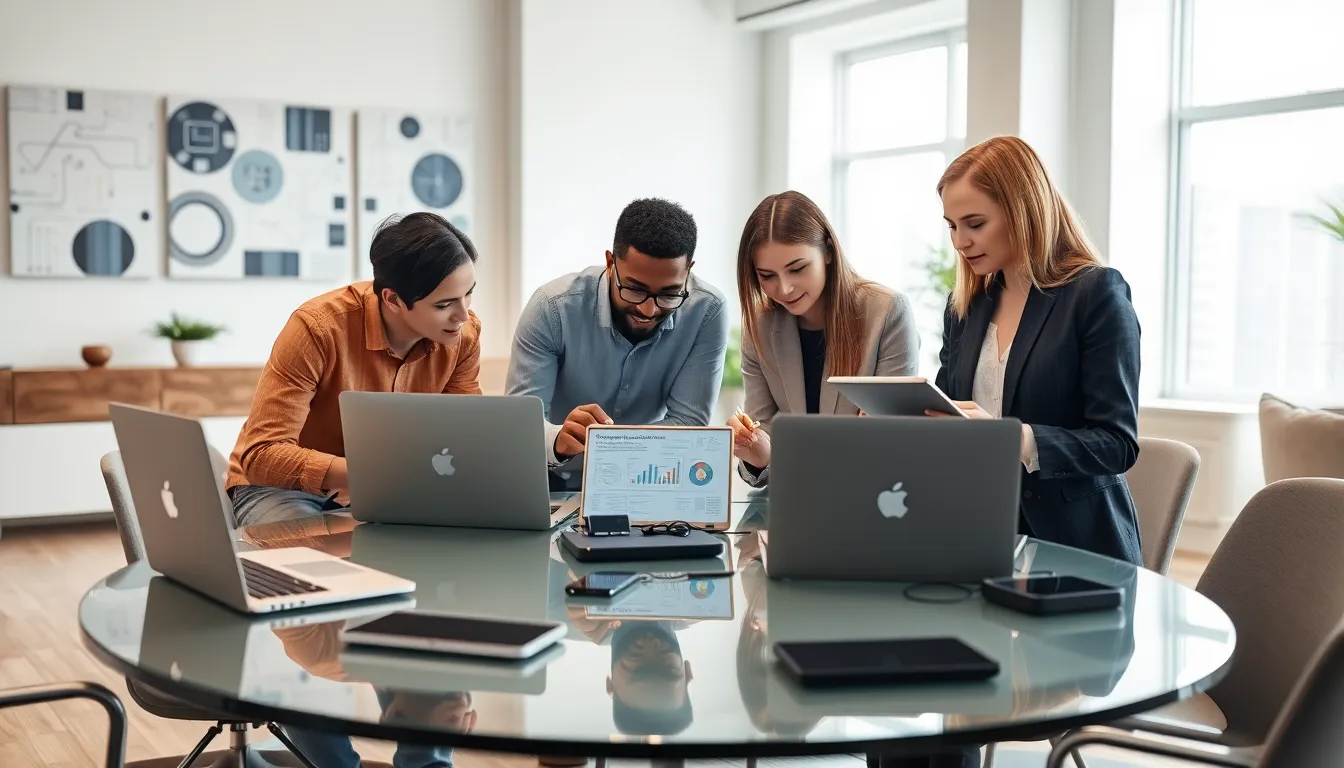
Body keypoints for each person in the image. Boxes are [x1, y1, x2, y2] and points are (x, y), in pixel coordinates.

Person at [932, 135, 1143, 565]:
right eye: (952, 226)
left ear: (1022, 211)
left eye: (975, 223)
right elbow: (947, 414)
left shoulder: (1096, 294)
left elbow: (1118, 443)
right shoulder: (964, 310)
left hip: (1076, 547)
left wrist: (1016, 438)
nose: (960, 242)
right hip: (980, 536)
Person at [225, 212, 483, 527]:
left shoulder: (463, 338)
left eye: (468, 294)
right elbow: (261, 455)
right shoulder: (317, 329)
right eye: (444, 305)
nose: (464, 316)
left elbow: (466, 435)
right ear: (393, 300)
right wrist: (365, 475)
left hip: (393, 492)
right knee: (309, 563)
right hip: (282, 490)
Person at [505, 198, 729, 488]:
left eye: (669, 294)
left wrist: (608, 445)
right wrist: (559, 439)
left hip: (648, 481)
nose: (649, 311)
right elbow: (520, 425)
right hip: (551, 480)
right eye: (634, 290)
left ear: (689, 270)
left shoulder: (707, 311)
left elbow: (688, 425)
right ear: (611, 263)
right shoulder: (552, 308)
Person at [726, 190, 920, 486]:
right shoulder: (759, 326)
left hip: (874, 496)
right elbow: (764, 436)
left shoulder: (887, 311)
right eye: (767, 276)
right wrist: (758, 454)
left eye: (798, 269)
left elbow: (894, 440)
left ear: (828, 252)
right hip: (795, 503)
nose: (785, 288)